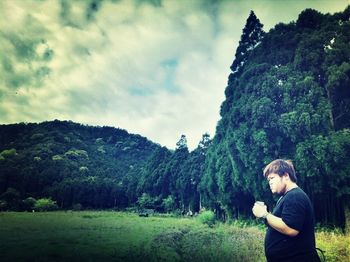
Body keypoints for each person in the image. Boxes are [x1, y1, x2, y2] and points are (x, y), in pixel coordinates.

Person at [252, 159, 320, 262]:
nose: (269, 182)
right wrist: (265, 216)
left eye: (272, 178)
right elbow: (282, 223)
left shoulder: (295, 196)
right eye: (268, 180)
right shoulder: (288, 196)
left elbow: (291, 229)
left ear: (286, 176)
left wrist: (265, 214)